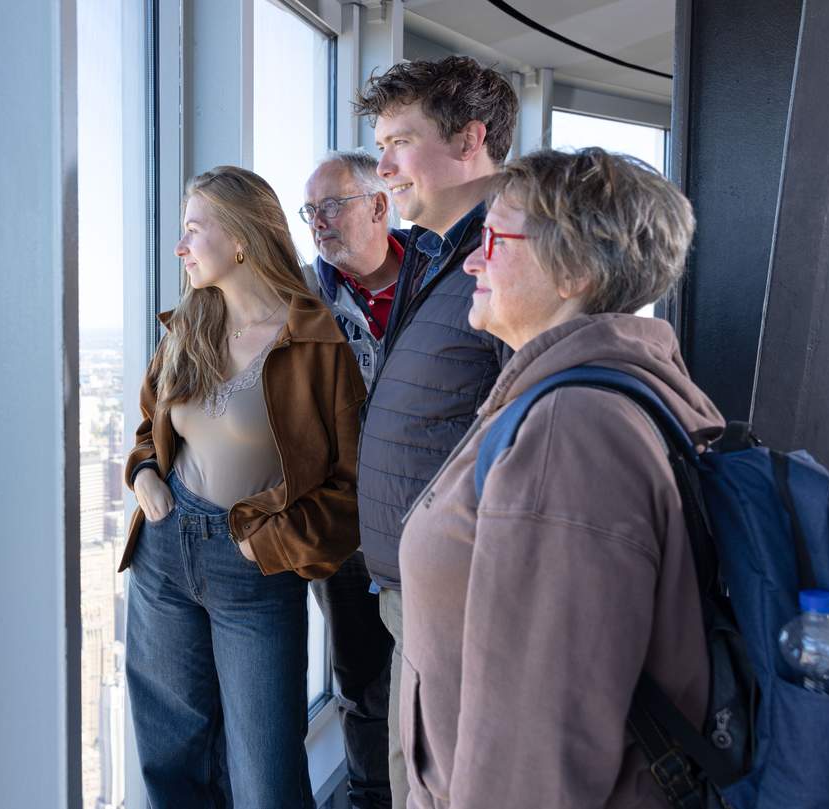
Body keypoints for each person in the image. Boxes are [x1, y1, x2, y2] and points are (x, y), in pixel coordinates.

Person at [396, 147, 723, 809]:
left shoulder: (567, 434)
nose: (470, 260)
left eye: (493, 238)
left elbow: (535, 753)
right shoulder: (605, 393)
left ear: (572, 267)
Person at [121, 165, 365, 809]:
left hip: (255, 569)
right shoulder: (188, 329)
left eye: (192, 230)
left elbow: (351, 484)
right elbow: (152, 426)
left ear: (239, 239)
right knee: (171, 761)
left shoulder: (316, 339)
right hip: (164, 556)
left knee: (265, 776)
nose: (180, 247)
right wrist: (144, 473)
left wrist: (270, 545)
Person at [351, 55, 516, 808]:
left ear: (468, 138)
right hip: (416, 585)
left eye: (398, 141)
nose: (381, 165)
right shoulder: (438, 249)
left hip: (463, 595)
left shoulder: (509, 258)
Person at [299, 150, 404, 809]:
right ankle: (369, 795)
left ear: (378, 205)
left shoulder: (443, 283)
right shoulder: (302, 302)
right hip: (345, 530)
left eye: (331, 205)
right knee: (362, 682)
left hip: (437, 524)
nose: (318, 222)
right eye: (310, 211)